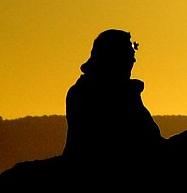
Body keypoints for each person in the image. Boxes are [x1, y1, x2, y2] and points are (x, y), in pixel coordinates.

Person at [65, 29, 162, 160]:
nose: (134, 60)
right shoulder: (101, 94)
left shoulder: (85, 90)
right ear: (113, 57)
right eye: (129, 53)